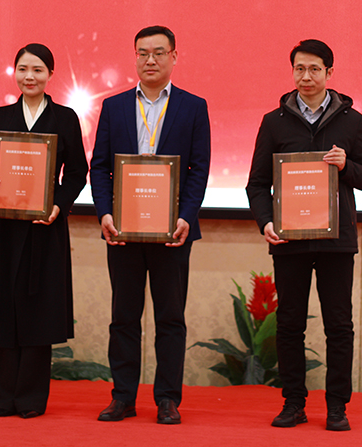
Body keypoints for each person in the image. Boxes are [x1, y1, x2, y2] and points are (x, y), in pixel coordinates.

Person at [244, 39, 362, 432]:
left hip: (337, 241)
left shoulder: (351, 121)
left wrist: (346, 166)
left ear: (329, 73)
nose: (306, 76)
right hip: (290, 240)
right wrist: (266, 222)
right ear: (292, 72)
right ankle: (293, 403)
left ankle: (337, 407)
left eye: (314, 69)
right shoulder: (275, 121)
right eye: (299, 69)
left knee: (339, 325)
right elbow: (257, 184)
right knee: (289, 324)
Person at [90, 25, 211, 425]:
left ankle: (168, 399)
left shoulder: (194, 107)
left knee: (170, 320)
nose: (150, 60)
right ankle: (122, 397)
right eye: (142, 53)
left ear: (174, 56)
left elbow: (199, 169)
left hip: (173, 232)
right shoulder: (114, 106)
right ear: (135, 57)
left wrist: (185, 216)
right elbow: (100, 167)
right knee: (124, 317)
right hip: (122, 231)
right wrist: (105, 214)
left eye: (159, 52)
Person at [0, 43, 88, 418]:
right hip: (5, 230)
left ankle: (32, 400)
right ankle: (4, 398)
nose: (29, 76)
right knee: (4, 307)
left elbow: (78, 173)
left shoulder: (65, 118)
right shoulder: (0, 115)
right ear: (15, 73)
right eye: (22, 69)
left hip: (45, 227)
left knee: (39, 312)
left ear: (50, 74)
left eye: (37, 70)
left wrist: (58, 205)